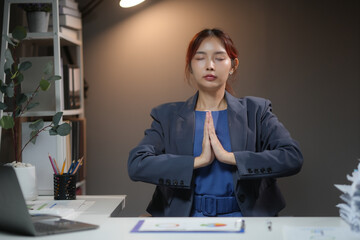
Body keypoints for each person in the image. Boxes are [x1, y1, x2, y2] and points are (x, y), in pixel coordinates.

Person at [128, 28, 303, 217]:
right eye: (200, 58)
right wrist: (197, 161)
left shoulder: (256, 111)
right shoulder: (167, 115)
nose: (210, 65)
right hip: (185, 220)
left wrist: (231, 158)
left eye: (219, 58)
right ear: (190, 66)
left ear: (233, 65)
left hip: (245, 219)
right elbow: (137, 164)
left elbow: (292, 157)